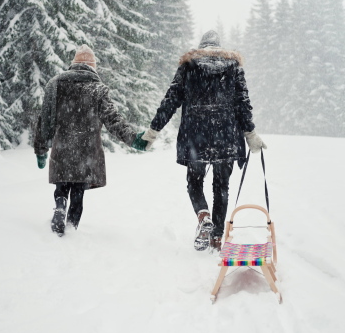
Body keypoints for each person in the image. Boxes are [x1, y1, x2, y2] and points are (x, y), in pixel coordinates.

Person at [141, 31, 266, 251]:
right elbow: (243, 103)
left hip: (195, 136)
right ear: (219, 46)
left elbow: (171, 100)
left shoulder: (189, 66)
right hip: (225, 136)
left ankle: (203, 217)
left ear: (201, 46)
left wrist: (153, 131)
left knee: (194, 183)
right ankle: (217, 237)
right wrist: (250, 133)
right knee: (221, 187)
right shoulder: (233, 66)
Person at [34, 44, 147, 237]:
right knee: (78, 190)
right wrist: (133, 139)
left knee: (62, 185)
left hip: (62, 148)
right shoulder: (97, 89)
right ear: (93, 67)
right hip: (86, 151)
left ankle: (60, 206)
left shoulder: (55, 85)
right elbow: (114, 120)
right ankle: (71, 227)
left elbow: (44, 122)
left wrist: (41, 150)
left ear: (74, 64)